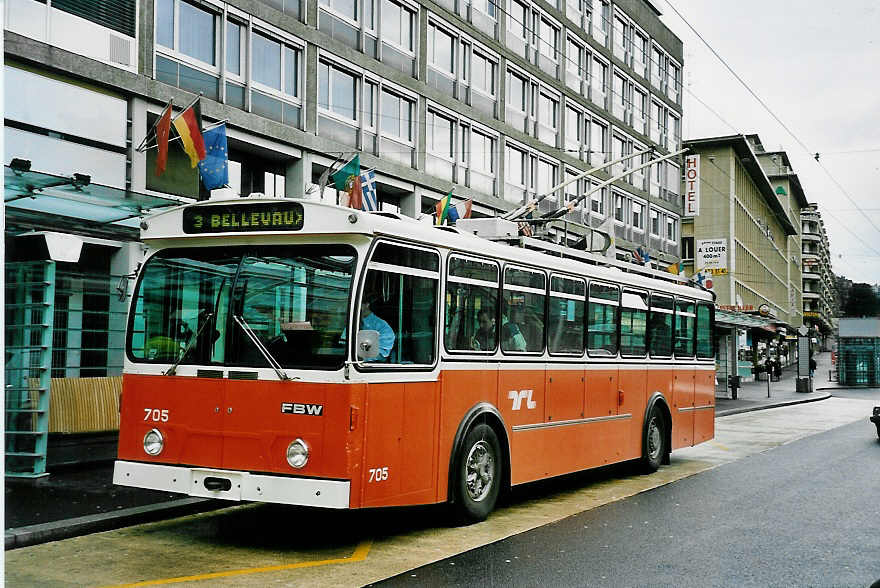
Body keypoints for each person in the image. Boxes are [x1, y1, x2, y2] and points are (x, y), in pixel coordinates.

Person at [360, 295, 395, 361]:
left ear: (366, 305)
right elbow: (344, 343)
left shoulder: (382, 326)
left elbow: (382, 355)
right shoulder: (352, 322)